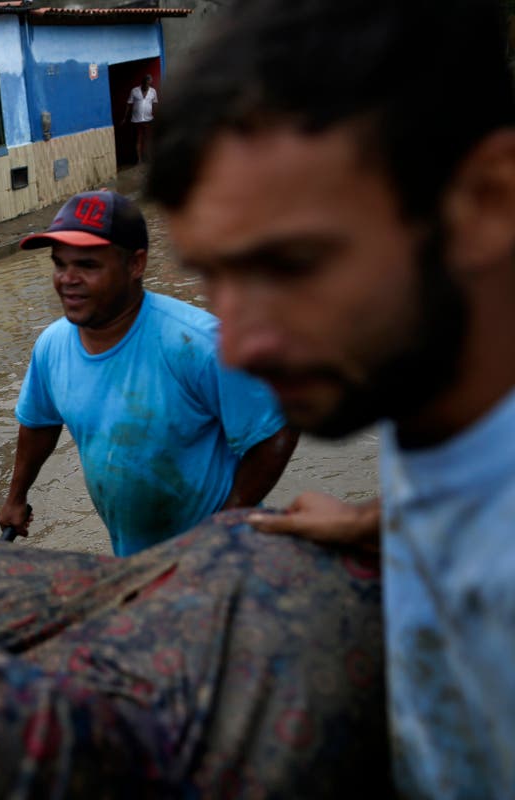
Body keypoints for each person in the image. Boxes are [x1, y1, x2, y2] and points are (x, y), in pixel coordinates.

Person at [145, 0, 515, 794]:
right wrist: (383, 522)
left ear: (488, 202)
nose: (239, 346)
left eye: (293, 266)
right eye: (213, 275)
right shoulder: (447, 414)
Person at [0, 189, 297, 556]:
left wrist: (223, 525)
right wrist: (16, 497)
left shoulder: (199, 344)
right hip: (135, 557)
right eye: (60, 264)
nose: (67, 279)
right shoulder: (52, 346)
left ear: (136, 265)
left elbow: (276, 430)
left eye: (88, 265)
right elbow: (40, 423)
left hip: (222, 556)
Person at [123, 74, 158, 163]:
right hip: (136, 120)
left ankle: (149, 158)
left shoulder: (153, 91)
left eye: (149, 84)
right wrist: (125, 118)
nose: (148, 86)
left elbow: (155, 104)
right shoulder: (134, 91)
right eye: (146, 83)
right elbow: (129, 104)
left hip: (148, 120)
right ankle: (139, 159)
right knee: (138, 140)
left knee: (148, 140)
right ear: (142, 82)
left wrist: (156, 116)